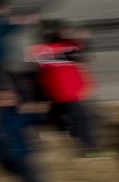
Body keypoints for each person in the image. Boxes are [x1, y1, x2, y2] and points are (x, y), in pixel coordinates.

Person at [29, 19, 99, 155]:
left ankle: (66, 131)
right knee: (84, 118)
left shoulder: (39, 50)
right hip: (68, 92)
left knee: (70, 117)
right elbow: (83, 57)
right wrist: (85, 38)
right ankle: (89, 148)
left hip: (58, 92)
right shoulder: (65, 47)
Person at [0, 79, 47, 182]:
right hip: (16, 152)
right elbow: (34, 118)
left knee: (27, 177)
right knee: (30, 179)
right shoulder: (8, 115)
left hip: (10, 154)